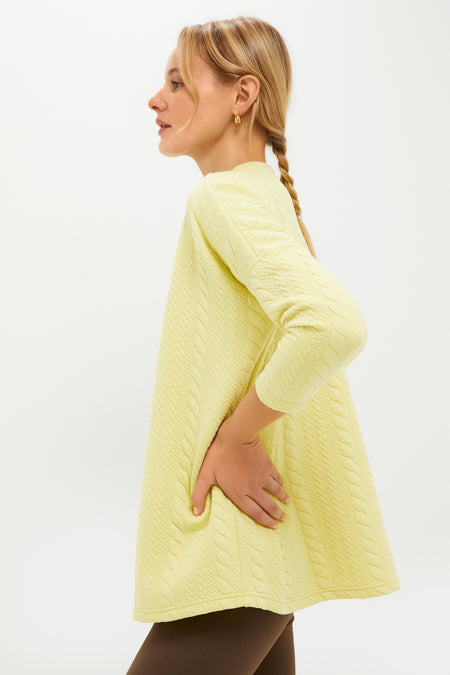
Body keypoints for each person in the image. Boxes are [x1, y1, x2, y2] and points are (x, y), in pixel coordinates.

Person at [126, 16, 401, 675]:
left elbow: (333, 324)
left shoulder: (223, 199)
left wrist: (237, 438)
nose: (155, 99)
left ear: (242, 95)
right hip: (257, 546)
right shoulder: (265, 198)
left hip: (229, 547)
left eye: (177, 82)